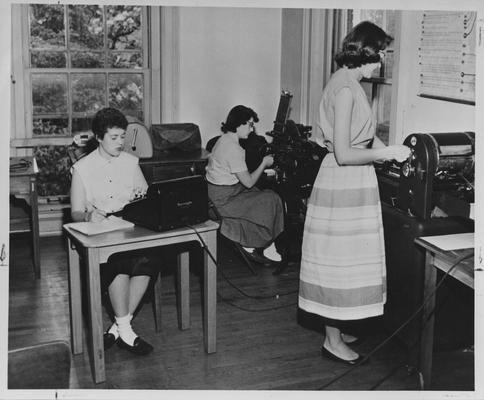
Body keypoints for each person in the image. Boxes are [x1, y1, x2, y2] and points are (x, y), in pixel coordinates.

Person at [298, 21, 411, 365]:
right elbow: (345, 153)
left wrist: (389, 150)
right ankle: (332, 340)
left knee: (345, 262)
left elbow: (361, 136)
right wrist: (385, 154)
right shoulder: (347, 89)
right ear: (368, 52)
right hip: (343, 181)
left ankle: (339, 328)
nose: (383, 60)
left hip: (352, 182)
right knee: (338, 263)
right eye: (381, 53)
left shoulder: (347, 82)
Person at [70, 107, 159, 356]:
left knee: (150, 258)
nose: (121, 143)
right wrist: (89, 215)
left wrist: (141, 196)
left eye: (123, 137)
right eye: (114, 138)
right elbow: (76, 212)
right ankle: (126, 331)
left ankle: (119, 328)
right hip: (100, 231)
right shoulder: (83, 168)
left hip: (130, 226)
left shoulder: (131, 162)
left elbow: (144, 194)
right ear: (99, 137)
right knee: (119, 260)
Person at [205, 105, 285, 265]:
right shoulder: (232, 148)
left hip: (216, 194)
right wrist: (264, 163)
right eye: (249, 124)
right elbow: (248, 182)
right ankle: (258, 244)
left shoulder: (223, 140)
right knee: (271, 198)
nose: (251, 128)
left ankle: (265, 243)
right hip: (223, 201)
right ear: (238, 124)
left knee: (262, 193)